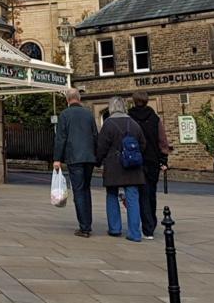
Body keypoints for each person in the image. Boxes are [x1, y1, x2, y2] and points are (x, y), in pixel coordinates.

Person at [96, 96, 146, 242]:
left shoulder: (108, 124)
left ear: (111, 108)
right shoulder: (134, 124)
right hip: (133, 166)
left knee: (112, 195)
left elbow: (101, 147)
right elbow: (143, 144)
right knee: (132, 197)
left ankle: (115, 228)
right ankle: (135, 233)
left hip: (113, 166)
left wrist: (98, 161)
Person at [53, 88, 99, 237]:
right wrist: (96, 156)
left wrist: (57, 159)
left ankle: (84, 227)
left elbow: (61, 138)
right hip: (89, 158)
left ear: (67, 100)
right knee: (86, 190)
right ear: (79, 99)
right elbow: (95, 135)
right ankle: (88, 223)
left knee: (78, 191)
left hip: (74, 158)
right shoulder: (89, 114)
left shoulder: (65, 115)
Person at [128, 92, 170, 240]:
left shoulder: (130, 118)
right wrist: (163, 159)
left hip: (135, 160)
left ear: (134, 101)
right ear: (146, 101)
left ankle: (146, 226)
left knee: (140, 194)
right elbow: (162, 141)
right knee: (150, 193)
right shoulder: (154, 118)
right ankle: (150, 224)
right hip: (152, 161)